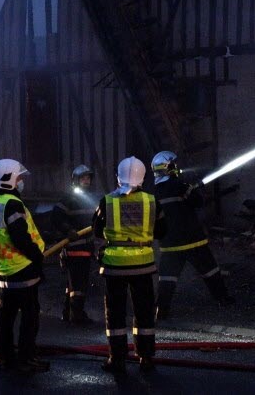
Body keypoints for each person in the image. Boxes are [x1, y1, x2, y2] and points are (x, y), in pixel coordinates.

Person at [92, 157, 166, 375]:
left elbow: (96, 230)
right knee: (144, 312)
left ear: (118, 177)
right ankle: (146, 357)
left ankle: (117, 359)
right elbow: (162, 231)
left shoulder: (107, 201)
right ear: (143, 177)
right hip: (143, 265)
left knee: (115, 314)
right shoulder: (152, 201)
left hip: (114, 266)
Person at [0, 159, 49, 375]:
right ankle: (26, 358)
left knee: (7, 317)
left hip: (4, 268)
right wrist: (37, 257)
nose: (21, 181)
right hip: (23, 268)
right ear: (9, 179)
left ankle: (5, 357)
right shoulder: (13, 204)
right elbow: (20, 237)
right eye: (19, 177)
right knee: (30, 317)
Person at [150, 151, 234, 321]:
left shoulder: (153, 194)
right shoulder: (181, 186)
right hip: (193, 241)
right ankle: (223, 299)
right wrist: (192, 189)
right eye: (173, 165)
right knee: (210, 270)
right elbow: (198, 202)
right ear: (166, 168)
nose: (176, 168)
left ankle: (161, 310)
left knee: (167, 278)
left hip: (169, 245)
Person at [51, 164, 98, 324]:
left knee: (74, 283)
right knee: (78, 284)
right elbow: (56, 218)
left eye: (88, 177)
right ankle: (77, 315)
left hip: (86, 247)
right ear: (75, 180)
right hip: (74, 248)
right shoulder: (68, 199)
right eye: (83, 178)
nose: (86, 180)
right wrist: (68, 230)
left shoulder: (90, 199)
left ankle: (68, 312)